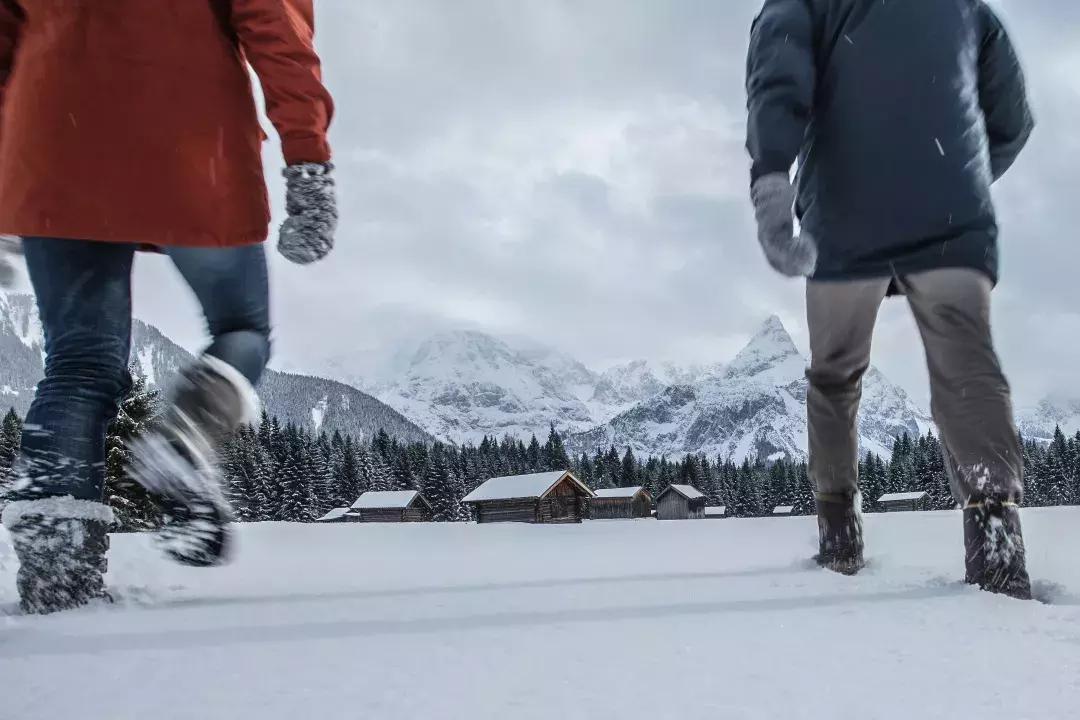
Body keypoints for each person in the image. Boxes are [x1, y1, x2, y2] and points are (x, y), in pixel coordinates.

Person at [0, 0, 336, 614]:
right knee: (241, 326)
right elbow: (277, 33)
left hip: (50, 143)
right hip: (189, 143)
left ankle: (57, 575)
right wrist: (308, 160)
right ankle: (183, 438)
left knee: (77, 366)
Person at [746, 0, 1034, 598]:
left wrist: (772, 181)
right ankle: (997, 546)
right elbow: (1011, 123)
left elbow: (779, 81)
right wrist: (950, 181)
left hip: (843, 218)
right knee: (967, 369)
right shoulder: (968, 7)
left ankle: (839, 538)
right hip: (954, 222)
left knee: (834, 377)